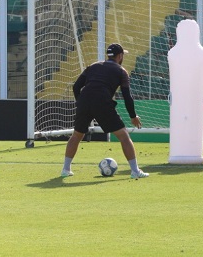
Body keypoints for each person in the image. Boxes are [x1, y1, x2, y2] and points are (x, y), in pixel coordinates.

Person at [61, 43, 149, 179]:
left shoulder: (93, 66)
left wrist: (81, 103)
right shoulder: (121, 71)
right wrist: (133, 116)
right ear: (120, 56)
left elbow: (76, 87)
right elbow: (127, 96)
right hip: (102, 101)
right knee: (124, 136)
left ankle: (65, 169)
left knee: (77, 135)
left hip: (84, 100)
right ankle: (135, 171)